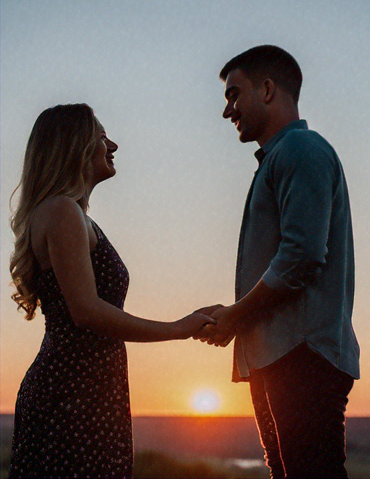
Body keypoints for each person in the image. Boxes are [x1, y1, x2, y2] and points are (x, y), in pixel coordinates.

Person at [8, 103, 216, 479]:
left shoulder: (71, 215)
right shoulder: (61, 211)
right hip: (71, 393)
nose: (113, 144)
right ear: (75, 146)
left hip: (88, 390)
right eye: (102, 136)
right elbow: (87, 312)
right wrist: (178, 329)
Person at [195, 45, 360, 478]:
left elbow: (300, 258)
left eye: (234, 95)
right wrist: (237, 318)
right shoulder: (280, 158)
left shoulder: (300, 150)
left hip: (301, 355)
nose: (227, 111)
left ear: (267, 89)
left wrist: (235, 316)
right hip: (278, 357)